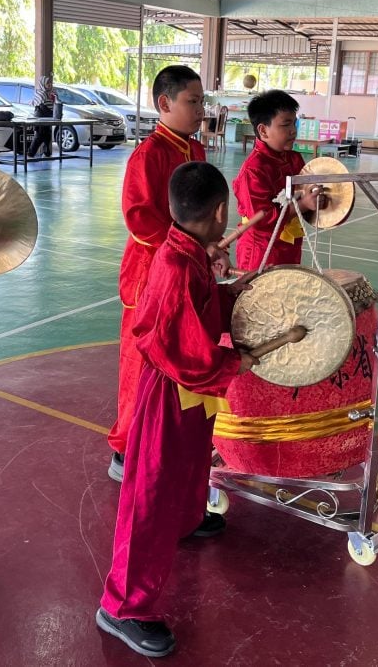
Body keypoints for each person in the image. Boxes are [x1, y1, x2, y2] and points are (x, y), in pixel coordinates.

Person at [96, 161, 257, 658]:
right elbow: (177, 351)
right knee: (149, 495)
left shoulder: (191, 253)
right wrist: (239, 359)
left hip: (190, 392)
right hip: (169, 392)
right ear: (221, 211)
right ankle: (122, 606)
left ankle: (188, 520)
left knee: (189, 469)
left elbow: (201, 312)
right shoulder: (174, 266)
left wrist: (233, 287)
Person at [108, 64, 223, 482]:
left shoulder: (196, 151)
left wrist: (208, 246)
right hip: (148, 274)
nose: (200, 110)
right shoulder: (148, 155)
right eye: (193, 102)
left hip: (187, 267)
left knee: (182, 355)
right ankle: (125, 448)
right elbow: (139, 218)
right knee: (139, 362)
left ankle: (168, 439)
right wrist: (190, 246)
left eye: (201, 102)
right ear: (164, 103)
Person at [233, 89, 323, 271]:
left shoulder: (294, 159)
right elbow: (260, 219)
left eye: (294, 123)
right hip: (261, 250)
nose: (293, 130)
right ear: (263, 131)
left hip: (289, 244)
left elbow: (305, 191)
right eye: (286, 125)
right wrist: (304, 204)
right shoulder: (254, 170)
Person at [27, 74, 57, 158]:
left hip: (48, 116)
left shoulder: (50, 93)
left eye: (50, 83)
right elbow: (37, 103)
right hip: (41, 116)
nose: (49, 85)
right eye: (47, 83)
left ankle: (46, 153)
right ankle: (31, 153)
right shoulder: (41, 93)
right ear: (43, 84)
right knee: (39, 135)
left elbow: (55, 103)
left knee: (47, 135)